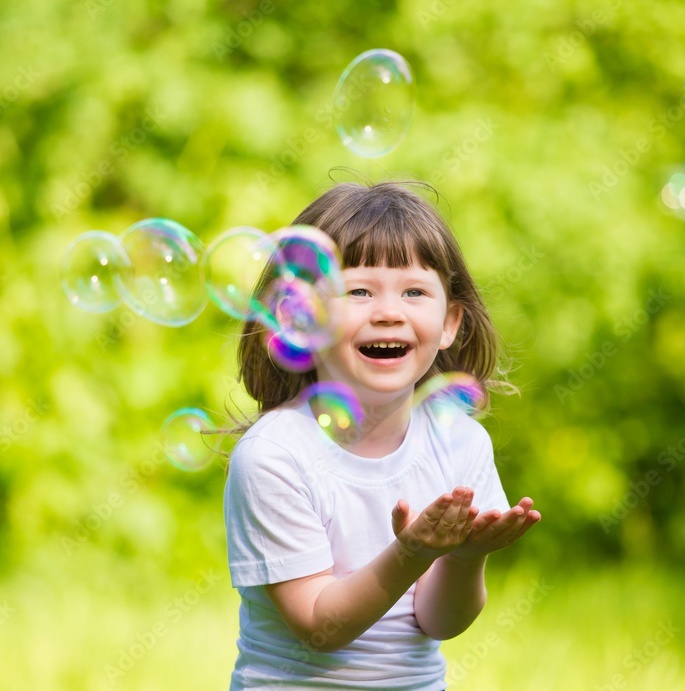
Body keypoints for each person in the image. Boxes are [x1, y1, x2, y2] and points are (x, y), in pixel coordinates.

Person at [224, 179, 542, 689]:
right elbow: (319, 627)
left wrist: (465, 555)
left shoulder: (460, 442)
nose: (389, 311)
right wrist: (411, 554)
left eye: (414, 291)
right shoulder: (274, 454)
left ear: (449, 322)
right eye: (359, 291)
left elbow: (439, 622)